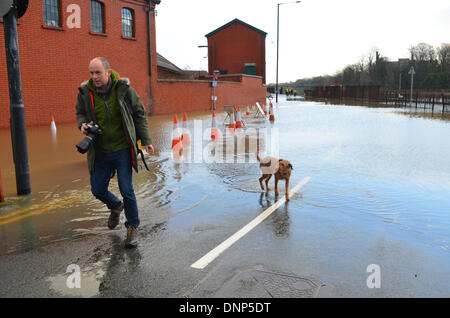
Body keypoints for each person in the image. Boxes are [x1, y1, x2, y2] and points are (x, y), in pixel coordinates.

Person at [76, 57, 155, 248]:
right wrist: (83, 125)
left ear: (108, 72)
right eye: (91, 73)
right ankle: (115, 206)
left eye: (98, 73)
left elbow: (139, 114)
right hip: (100, 150)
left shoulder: (124, 90)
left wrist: (146, 141)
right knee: (97, 189)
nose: (94, 77)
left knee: (127, 190)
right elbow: (80, 113)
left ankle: (132, 228)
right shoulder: (85, 93)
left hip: (122, 149)